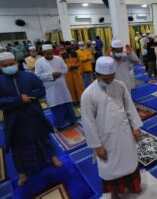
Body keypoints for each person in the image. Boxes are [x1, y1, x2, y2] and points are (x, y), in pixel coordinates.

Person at [81, 56, 142, 198]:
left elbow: (130, 108)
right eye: (105, 78)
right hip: (105, 138)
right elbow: (88, 123)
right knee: (111, 167)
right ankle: (115, 191)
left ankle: (133, 186)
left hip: (124, 133)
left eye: (111, 77)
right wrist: (97, 146)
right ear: (96, 75)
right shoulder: (88, 95)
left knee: (129, 161)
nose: (109, 81)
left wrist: (136, 127)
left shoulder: (120, 86)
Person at [0, 52, 62, 186]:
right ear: (0, 66)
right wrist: (18, 100)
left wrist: (29, 97)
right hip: (14, 120)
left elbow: (41, 90)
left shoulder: (29, 76)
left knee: (43, 139)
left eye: (11, 64)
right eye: (5, 65)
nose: (9, 67)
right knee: (19, 147)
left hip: (34, 114)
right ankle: (22, 173)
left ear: (16, 62)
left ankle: (52, 157)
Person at [35, 44, 78, 130]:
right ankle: (59, 125)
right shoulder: (39, 62)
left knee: (67, 103)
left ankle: (72, 121)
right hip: (50, 87)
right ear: (43, 53)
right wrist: (51, 75)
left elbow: (65, 69)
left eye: (51, 53)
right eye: (47, 54)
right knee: (56, 105)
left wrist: (59, 73)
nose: (49, 55)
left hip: (62, 85)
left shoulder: (58, 58)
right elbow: (38, 75)